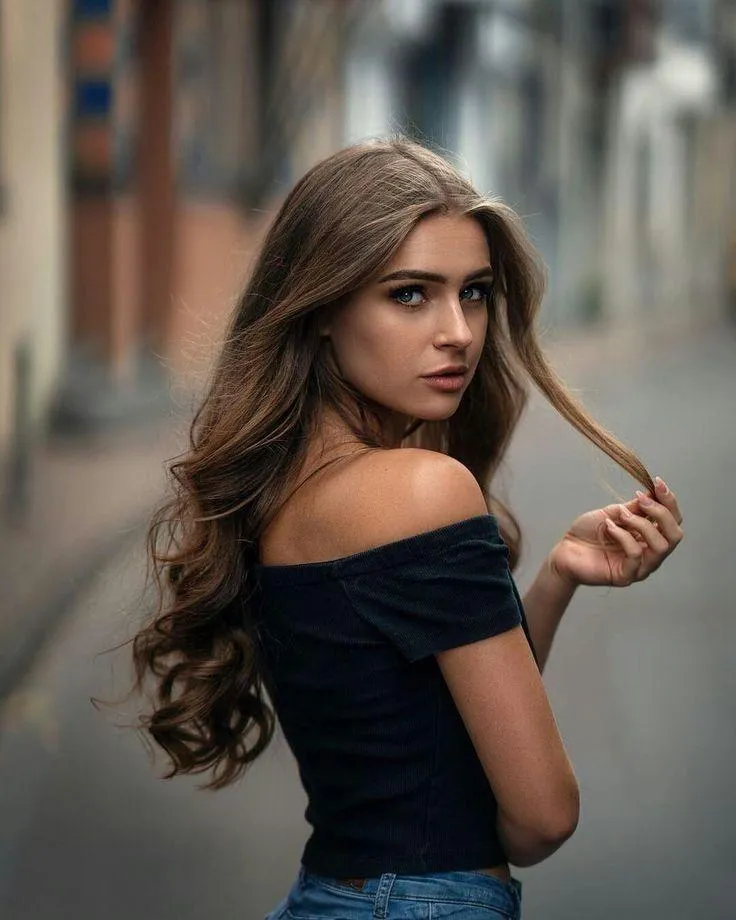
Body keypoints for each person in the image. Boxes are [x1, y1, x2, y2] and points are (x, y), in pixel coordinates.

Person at [131, 138, 683, 919]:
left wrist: (556, 577)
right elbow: (538, 819)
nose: (458, 331)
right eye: (411, 294)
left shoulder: (283, 487)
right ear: (322, 308)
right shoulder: (421, 491)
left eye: (476, 292)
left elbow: (437, 746)